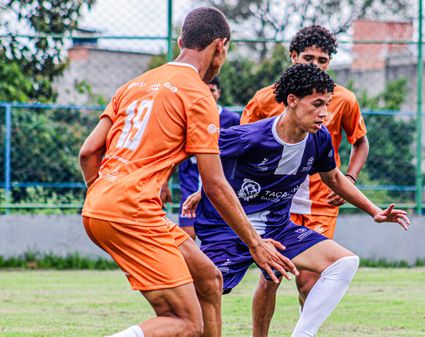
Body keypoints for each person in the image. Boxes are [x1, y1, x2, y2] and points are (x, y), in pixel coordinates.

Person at [78, 7, 297, 337]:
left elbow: (88, 152)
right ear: (220, 46)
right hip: (132, 210)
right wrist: (255, 243)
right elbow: (215, 183)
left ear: (181, 41)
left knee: (209, 280)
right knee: (185, 323)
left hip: (101, 203)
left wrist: (106, 197)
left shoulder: (135, 83)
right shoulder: (197, 93)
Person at [182, 63, 409, 337]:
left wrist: (375, 211)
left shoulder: (319, 139)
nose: (324, 113)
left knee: (344, 263)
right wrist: (202, 191)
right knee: (197, 301)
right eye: (316, 104)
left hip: (278, 229)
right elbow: (200, 156)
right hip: (230, 230)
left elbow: (334, 178)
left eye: (327, 104)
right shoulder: (251, 137)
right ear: (292, 101)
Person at [241, 25, 369, 336]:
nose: (314, 65)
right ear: (293, 57)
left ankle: (304, 330)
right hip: (274, 202)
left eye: (322, 60)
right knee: (270, 276)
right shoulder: (265, 99)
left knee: (309, 278)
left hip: (320, 202)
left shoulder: (343, 99)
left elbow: (360, 141)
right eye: (307, 58)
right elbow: (242, 145)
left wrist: (350, 177)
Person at [177, 76, 240, 239]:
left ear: (218, 93)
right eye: (205, 90)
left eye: (212, 90)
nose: (208, 94)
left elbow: (238, 154)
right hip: (190, 185)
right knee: (187, 238)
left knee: (217, 241)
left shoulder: (232, 120)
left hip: (218, 187)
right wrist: (163, 183)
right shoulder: (186, 115)